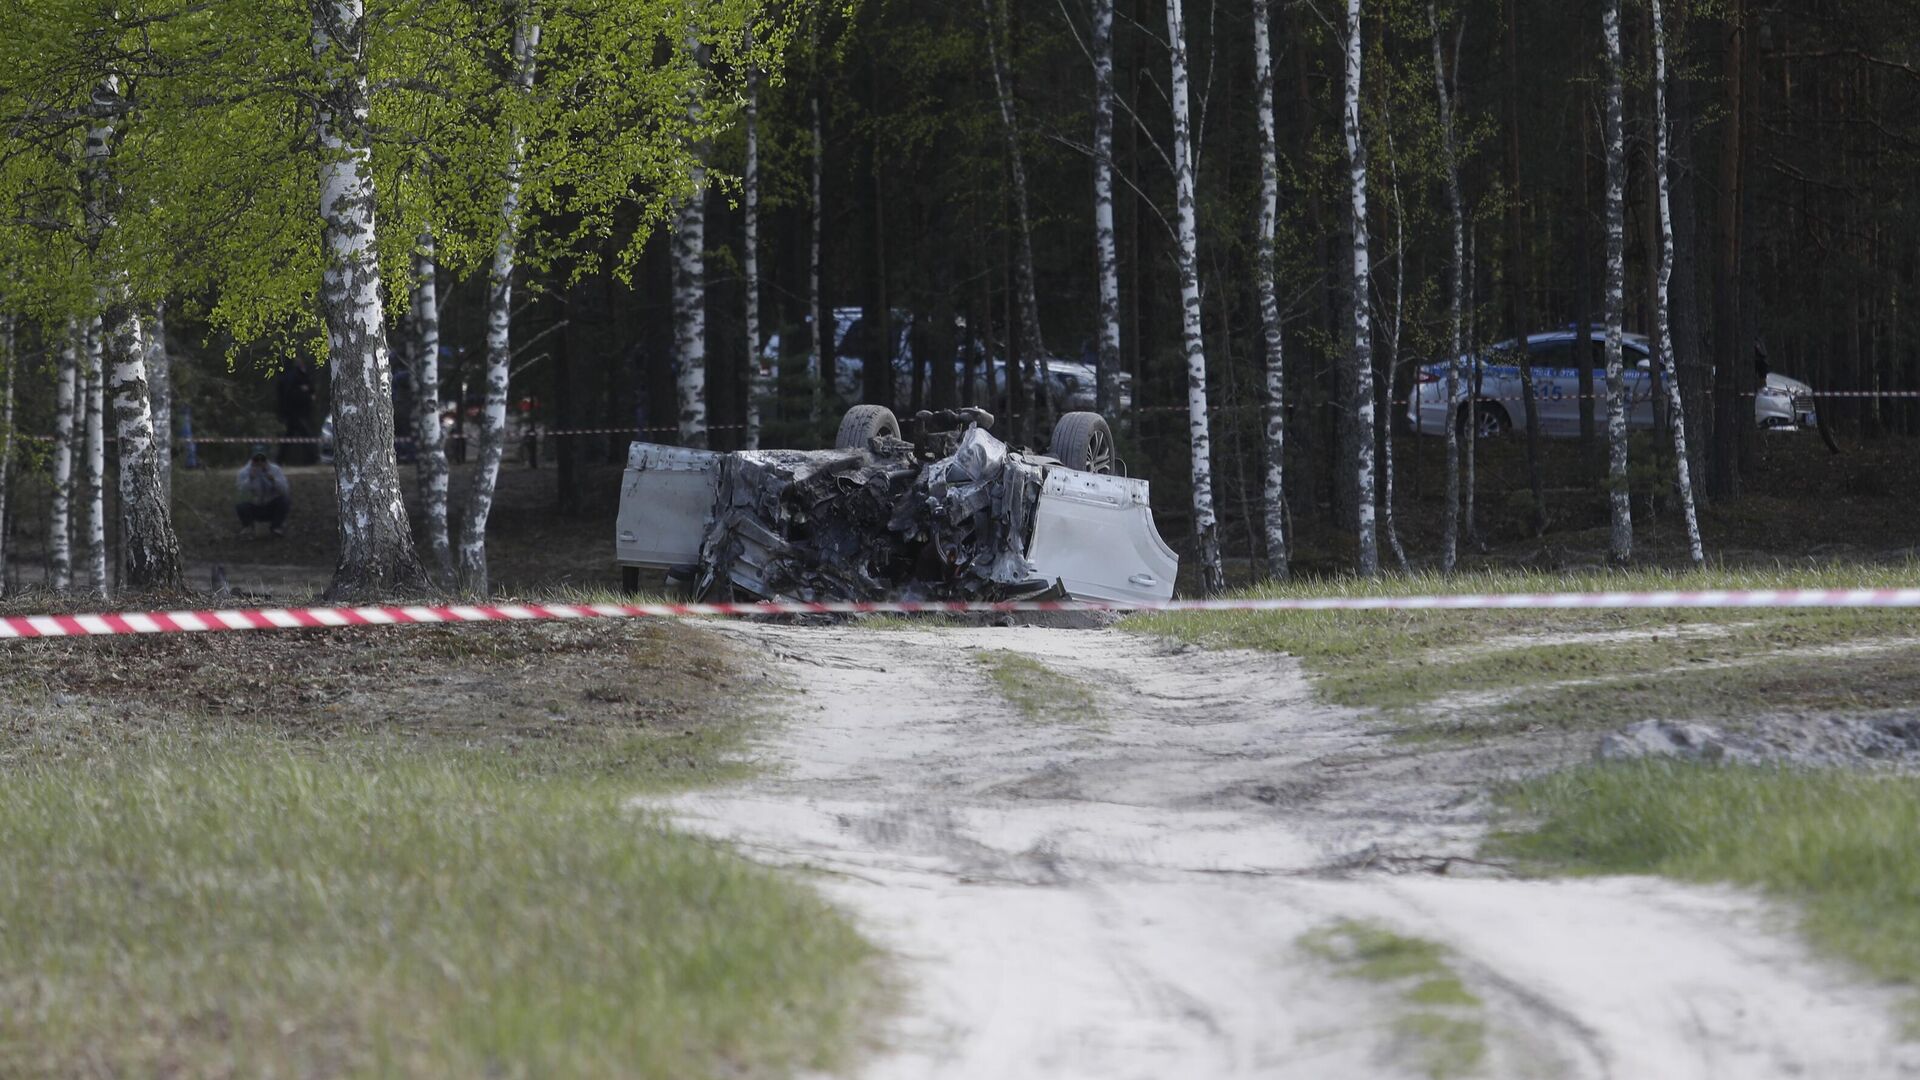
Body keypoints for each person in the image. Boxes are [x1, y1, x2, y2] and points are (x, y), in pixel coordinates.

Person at [236, 446, 291, 537]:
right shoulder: (244, 472)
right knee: (239, 501)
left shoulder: (275, 470)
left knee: (285, 500)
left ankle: (277, 527)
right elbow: (240, 491)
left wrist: (274, 481)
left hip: (270, 506)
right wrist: (250, 479)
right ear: (252, 459)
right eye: (256, 459)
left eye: (262, 459)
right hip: (254, 506)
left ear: (266, 458)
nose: (259, 462)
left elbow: (285, 490)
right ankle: (248, 527)